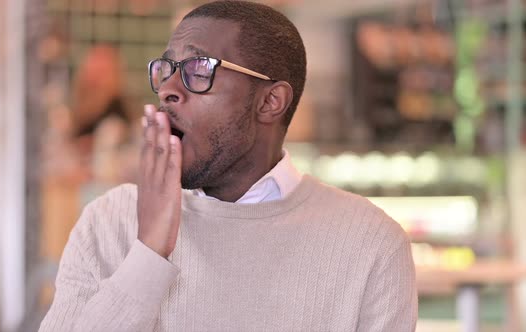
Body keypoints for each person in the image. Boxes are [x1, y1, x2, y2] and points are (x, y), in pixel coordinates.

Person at [39, 1, 417, 331]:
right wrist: (149, 251)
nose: (168, 87)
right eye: (167, 68)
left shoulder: (370, 244)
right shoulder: (108, 222)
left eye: (199, 70)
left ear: (270, 102)